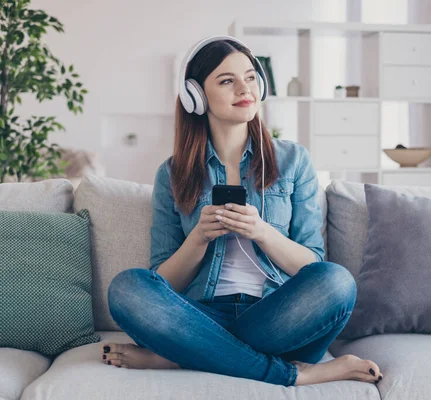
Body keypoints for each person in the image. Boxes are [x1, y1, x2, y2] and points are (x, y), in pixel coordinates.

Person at [103, 35, 383, 387]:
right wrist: (198, 239)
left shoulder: (293, 161)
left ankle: (184, 356)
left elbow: (313, 265)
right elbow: (163, 282)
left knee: (337, 281)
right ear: (196, 96)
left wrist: (262, 232)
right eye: (227, 80)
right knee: (127, 288)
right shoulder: (172, 174)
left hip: (280, 318)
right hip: (199, 315)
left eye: (250, 77)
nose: (244, 88)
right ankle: (289, 373)